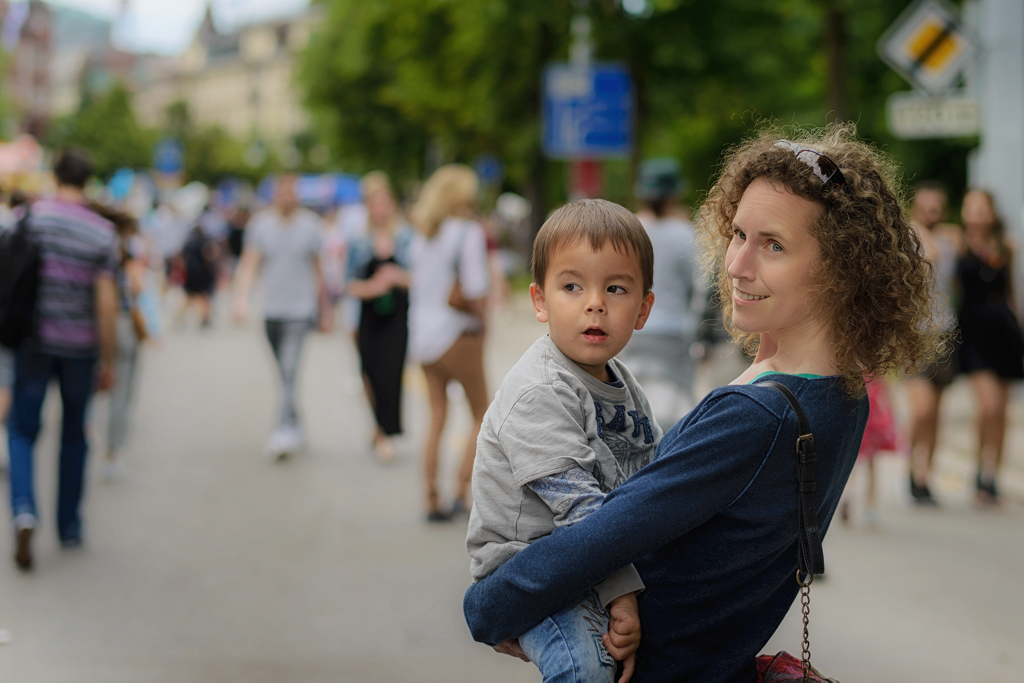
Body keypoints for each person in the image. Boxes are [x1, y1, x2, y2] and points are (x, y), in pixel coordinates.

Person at [463, 124, 941, 683]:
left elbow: (600, 537)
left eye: (774, 245)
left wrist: (488, 607)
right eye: (738, 234)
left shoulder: (759, 416)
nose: (737, 264)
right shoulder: (841, 394)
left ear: (840, 269)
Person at [467, 198, 660, 682]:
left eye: (615, 288)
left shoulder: (622, 382)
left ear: (643, 308)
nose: (594, 302)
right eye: (572, 286)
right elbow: (578, 508)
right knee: (588, 669)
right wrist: (622, 593)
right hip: (529, 568)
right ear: (539, 300)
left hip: (591, 558)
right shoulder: (539, 390)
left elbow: (648, 472)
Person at [7, 147, 119, 571]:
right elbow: (107, 305)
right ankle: (69, 526)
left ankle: (23, 510)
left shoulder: (30, 219)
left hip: (33, 343)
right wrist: (108, 361)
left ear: (54, 175)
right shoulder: (101, 233)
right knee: (74, 434)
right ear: (88, 178)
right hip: (80, 348)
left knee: (21, 429)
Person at [408, 164, 490, 521]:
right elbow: (475, 288)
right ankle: (459, 488)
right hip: (458, 334)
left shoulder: (422, 235)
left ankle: (430, 496)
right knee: (481, 414)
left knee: (437, 417)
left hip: (424, 338)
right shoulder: (467, 233)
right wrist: (484, 317)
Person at [233, 175, 328, 460]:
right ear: (275, 194)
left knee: (289, 369)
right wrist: (241, 298)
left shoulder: (311, 226)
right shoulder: (260, 225)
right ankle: (296, 424)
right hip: (271, 310)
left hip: (300, 310)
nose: (287, 196)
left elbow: (318, 269)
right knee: (284, 373)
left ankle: (283, 430)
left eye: (291, 191)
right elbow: (250, 263)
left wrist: (326, 308)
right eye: (282, 191)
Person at [619, 157, 701, 426]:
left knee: (627, 403)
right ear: (674, 195)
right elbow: (700, 289)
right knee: (677, 406)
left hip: (629, 328)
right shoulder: (685, 235)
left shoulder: (625, 231)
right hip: (674, 334)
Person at [955, 189, 1024, 507]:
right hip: (973, 332)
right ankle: (978, 467)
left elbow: (1011, 292)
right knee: (987, 407)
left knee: (1001, 411)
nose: (978, 213)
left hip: (1003, 331)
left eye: (983, 208)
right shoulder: (958, 243)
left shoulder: (1007, 244)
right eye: (972, 207)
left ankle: (991, 475)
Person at [346, 172, 414, 463]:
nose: (380, 210)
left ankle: (386, 431)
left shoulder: (407, 238)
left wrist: (397, 277)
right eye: (374, 204)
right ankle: (378, 425)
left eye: (384, 204)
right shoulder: (359, 241)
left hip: (397, 318)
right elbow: (349, 284)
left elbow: (420, 277)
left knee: (391, 373)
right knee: (370, 373)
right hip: (368, 318)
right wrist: (372, 288)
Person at [904, 181, 961, 505]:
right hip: (915, 334)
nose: (931, 213)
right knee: (922, 409)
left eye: (937, 207)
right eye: (926, 207)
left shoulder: (952, 238)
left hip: (945, 331)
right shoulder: (909, 239)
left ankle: (925, 477)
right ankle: (910, 468)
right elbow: (931, 255)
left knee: (937, 411)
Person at [90, 204, 148, 482]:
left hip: (91, 325)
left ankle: (88, 428)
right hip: (122, 323)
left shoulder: (93, 246)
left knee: (92, 384)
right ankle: (112, 453)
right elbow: (137, 287)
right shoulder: (123, 251)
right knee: (121, 391)